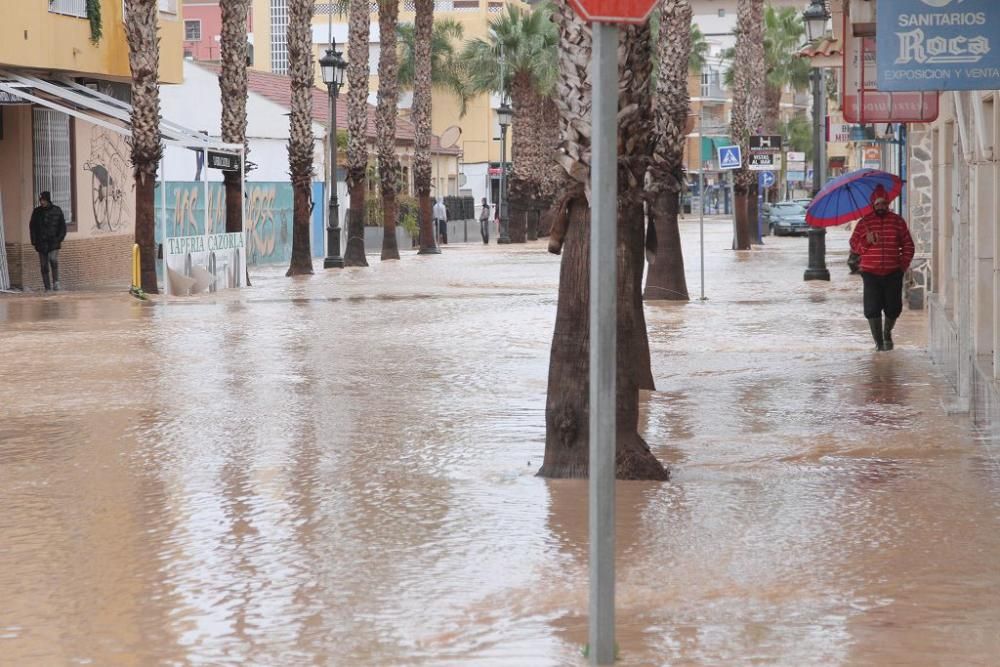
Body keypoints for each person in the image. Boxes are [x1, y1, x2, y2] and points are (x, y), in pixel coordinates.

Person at [849, 185, 915, 351]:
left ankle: (887, 332)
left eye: (884, 203)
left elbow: (908, 245)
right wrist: (866, 241)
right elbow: (854, 246)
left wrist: (903, 265)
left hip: (893, 272)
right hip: (870, 273)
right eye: (878, 204)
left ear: (888, 204)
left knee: (894, 308)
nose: (881, 207)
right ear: (873, 204)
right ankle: (879, 343)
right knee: (872, 308)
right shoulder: (864, 223)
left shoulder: (897, 221)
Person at [29, 191, 67, 292]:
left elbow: (63, 227)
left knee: (53, 259)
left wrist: (59, 238)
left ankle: (56, 282)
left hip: (54, 242)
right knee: (43, 265)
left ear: (48, 200)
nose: (42, 202)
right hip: (41, 243)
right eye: (41, 200)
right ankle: (47, 287)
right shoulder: (37, 212)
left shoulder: (57, 211)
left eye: (44, 200)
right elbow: (32, 227)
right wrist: (34, 240)